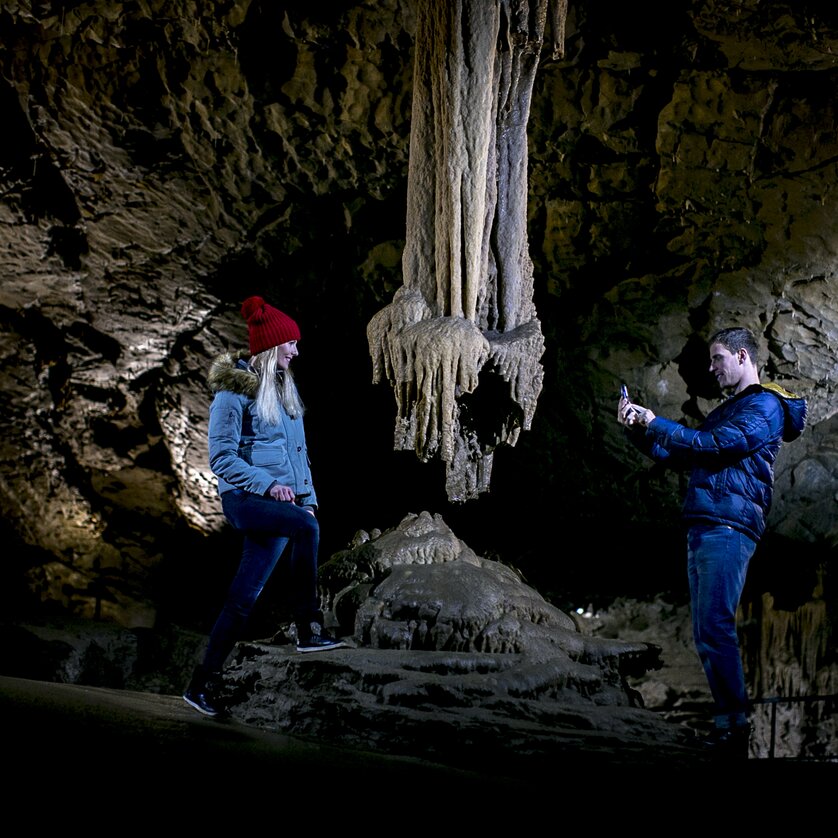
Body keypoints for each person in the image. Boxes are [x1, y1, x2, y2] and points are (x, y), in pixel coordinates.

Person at [617, 327, 807, 758]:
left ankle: (733, 733)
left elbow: (718, 445)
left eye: (717, 358)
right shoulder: (732, 409)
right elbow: (684, 454)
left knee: (716, 625)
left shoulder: (765, 405)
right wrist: (638, 429)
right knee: (707, 629)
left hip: (729, 523)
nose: (711, 368)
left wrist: (657, 421)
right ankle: (729, 728)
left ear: (742, 356)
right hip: (707, 520)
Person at [183, 295, 346, 718]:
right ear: (273, 346)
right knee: (307, 531)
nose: (296, 350)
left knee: (243, 598)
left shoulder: (284, 387)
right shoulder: (233, 392)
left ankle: (200, 685)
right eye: (290, 344)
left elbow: (297, 453)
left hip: (278, 502)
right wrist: (268, 486)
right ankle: (309, 627)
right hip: (244, 500)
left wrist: (306, 501)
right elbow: (221, 458)